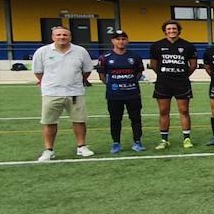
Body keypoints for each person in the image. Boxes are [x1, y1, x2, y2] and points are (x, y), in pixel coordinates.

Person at [33, 25, 95, 161]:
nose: (62, 37)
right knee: (49, 122)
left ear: (70, 37)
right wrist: (51, 84)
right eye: (59, 35)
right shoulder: (42, 52)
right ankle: (49, 150)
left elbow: (87, 71)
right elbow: (38, 72)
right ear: (53, 37)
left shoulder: (80, 51)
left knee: (79, 120)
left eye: (65, 35)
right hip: (51, 93)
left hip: (75, 92)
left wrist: (76, 82)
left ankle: (81, 147)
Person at [148, 20, 198, 149]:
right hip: (163, 83)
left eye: (174, 29)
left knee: (184, 110)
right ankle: (164, 140)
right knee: (164, 111)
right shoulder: (157, 45)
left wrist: (184, 75)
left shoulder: (188, 46)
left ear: (178, 30)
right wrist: (162, 75)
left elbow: (193, 65)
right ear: (165, 31)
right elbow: (153, 64)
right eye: (169, 29)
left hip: (181, 83)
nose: (172, 31)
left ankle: (187, 138)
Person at [95, 29, 145, 154]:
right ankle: (116, 143)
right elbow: (102, 76)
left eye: (123, 39)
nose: (121, 41)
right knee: (115, 119)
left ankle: (137, 141)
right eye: (118, 39)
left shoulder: (135, 57)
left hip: (132, 93)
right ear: (113, 41)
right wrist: (113, 85)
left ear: (127, 41)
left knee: (136, 118)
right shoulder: (104, 57)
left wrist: (130, 83)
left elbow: (139, 73)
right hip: (114, 95)